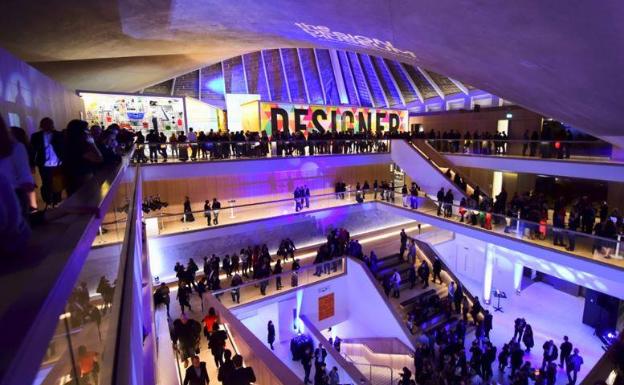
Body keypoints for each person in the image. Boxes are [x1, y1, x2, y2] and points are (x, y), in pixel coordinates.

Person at [63, 119, 104, 196]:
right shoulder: (80, 146)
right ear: (81, 131)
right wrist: (93, 144)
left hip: (71, 179)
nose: (89, 131)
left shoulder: (68, 143)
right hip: (82, 179)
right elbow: (99, 158)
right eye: (87, 129)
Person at [30, 117, 64, 207]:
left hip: (58, 164)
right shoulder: (36, 136)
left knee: (57, 183)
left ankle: (57, 201)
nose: (48, 126)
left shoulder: (59, 134)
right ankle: (48, 201)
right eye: (45, 124)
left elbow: (63, 148)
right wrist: (32, 163)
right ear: (41, 125)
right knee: (46, 183)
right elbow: (32, 150)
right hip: (44, 164)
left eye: (49, 124)